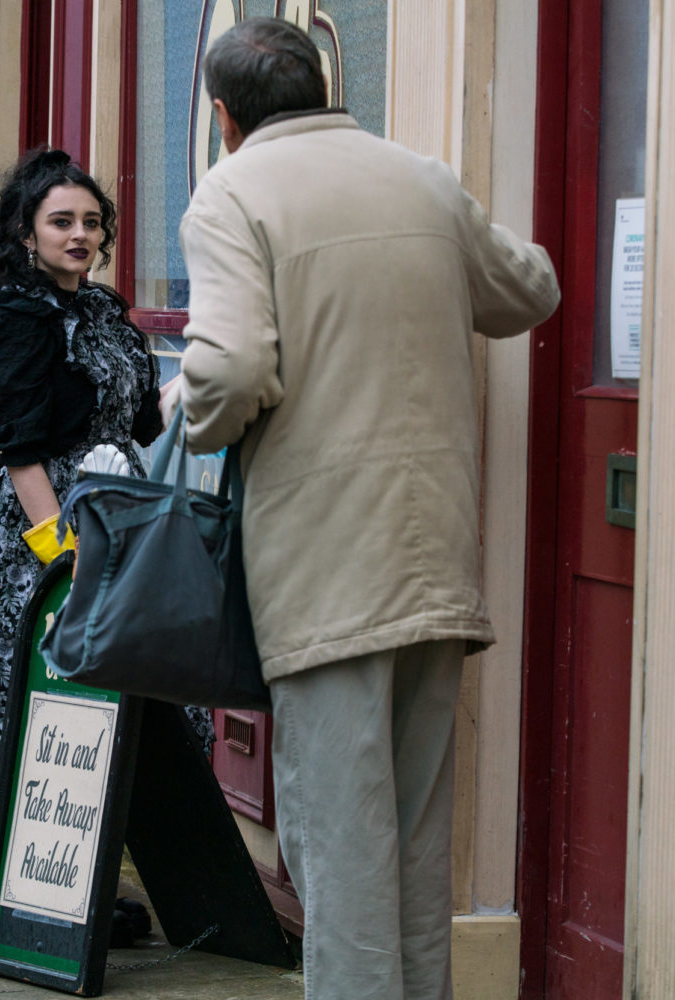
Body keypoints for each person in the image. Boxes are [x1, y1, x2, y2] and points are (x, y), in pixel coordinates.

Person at [167, 18, 561, 1000]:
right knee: (417, 843)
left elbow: (228, 369)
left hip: (321, 568)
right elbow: (530, 289)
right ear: (326, 84)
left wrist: (192, 416)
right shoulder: (418, 178)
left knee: (338, 851)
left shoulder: (230, 193)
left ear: (223, 115)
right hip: (433, 556)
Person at [0, 149, 213, 770]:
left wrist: (204, 370)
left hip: (125, 509)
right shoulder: (15, 317)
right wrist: (59, 555)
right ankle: (51, 849)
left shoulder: (104, 309)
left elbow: (142, 421)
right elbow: (19, 449)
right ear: (26, 231)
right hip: (53, 520)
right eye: (62, 221)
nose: (80, 235)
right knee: (59, 681)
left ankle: (144, 830)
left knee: (158, 675)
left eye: (91, 222)